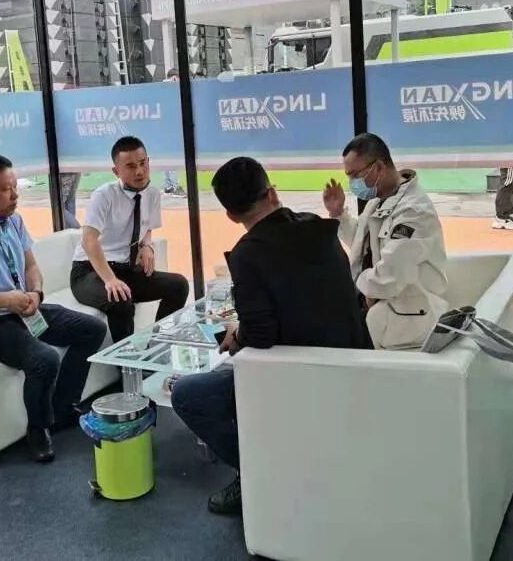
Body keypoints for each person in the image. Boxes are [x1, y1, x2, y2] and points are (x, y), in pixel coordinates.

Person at [172, 157, 370, 515]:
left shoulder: (248, 254)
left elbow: (261, 334)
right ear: (273, 193)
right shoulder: (318, 227)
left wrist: (236, 334)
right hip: (356, 361)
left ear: (231, 215)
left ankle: (257, 474)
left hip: (298, 377)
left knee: (187, 394)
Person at [0, 153, 107, 464]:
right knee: (44, 360)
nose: (15, 195)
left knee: (92, 329)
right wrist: (6, 300)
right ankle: (38, 429)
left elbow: (30, 266)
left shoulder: (13, 221)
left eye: (15, 187)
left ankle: (61, 409)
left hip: (24, 307)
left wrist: (36, 292)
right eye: (6, 190)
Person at [323, 133, 449, 350]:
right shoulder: (378, 203)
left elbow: (390, 276)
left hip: (407, 324)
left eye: (355, 175)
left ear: (379, 167)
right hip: (381, 314)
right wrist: (339, 214)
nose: (352, 183)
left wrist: (350, 284)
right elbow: (363, 245)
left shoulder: (413, 211)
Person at [70, 136, 190, 344]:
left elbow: (146, 226)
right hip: (90, 271)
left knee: (179, 285)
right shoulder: (104, 195)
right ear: (116, 171)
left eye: (143, 163)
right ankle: (127, 363)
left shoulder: (152, 193)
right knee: (121, 300)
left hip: (125, 268)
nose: (140, 171)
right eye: (131, 166)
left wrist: (147, 245)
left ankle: (157, 347)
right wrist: (110, 280)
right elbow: (89, 241)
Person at [161, 68, 186, 197]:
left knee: (167, 159)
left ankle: (168, 186)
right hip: (169, 130)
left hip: (164, 130)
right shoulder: (169, 89)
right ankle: (175, 187)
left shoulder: (161, 89)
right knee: (172, 158)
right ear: (174, 78)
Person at [493, 166, 513, 230]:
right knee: (507, 183)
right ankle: (503, 218)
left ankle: (505, 215)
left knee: (509, 184)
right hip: (511, 162)